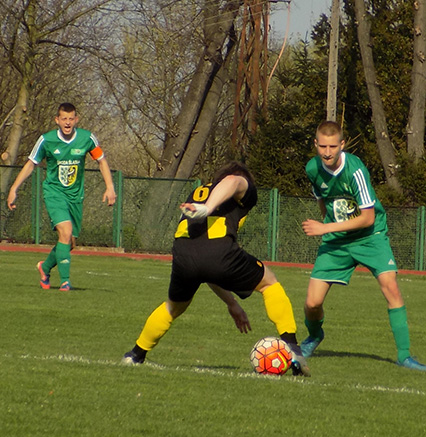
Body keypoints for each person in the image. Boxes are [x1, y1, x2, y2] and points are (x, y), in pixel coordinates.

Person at [123, 161, 309, 376]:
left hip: (183, 255)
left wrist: (232, 303)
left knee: (172, 308)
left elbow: (207, 268)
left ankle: (135, 355)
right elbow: (233, 181)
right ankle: (294, 349)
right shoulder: (237, 186)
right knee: (269, 283)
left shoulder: (198, 193)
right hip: (218, 251)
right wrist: (208, 208)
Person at [299, 121, 426, 371]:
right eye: (322, 146)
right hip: (337, 241)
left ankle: (404, 356)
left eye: (332, 147)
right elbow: (323, 201)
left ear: (342, 144)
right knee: (312, 303)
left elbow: (368, 218)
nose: (327, 152)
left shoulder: (355, 170)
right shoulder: (312, 169)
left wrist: (324, 228)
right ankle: (315, 336)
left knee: (391, 287)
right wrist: (329, 227)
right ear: (315, 144)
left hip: (370, 236)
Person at [6, 102, 116, 291]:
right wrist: (14, 188)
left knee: (69, 242)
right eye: (64, 119)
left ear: (76, 119)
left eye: (71, 119)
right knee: (65, 232)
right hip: (54, 193)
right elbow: (31, 164)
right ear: (57, 120)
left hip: (75, 196)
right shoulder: (46, 140)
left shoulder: (87, 138)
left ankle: (45, 267)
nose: (67, 122)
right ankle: (65, 282)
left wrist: (110, 187)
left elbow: (101, 160)